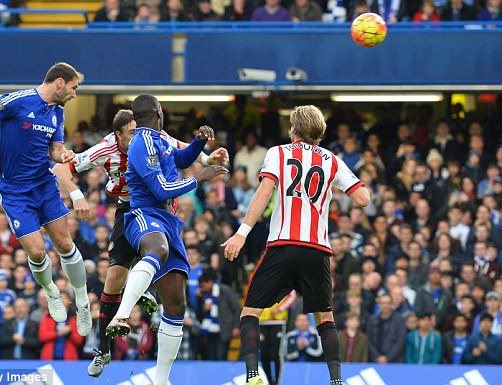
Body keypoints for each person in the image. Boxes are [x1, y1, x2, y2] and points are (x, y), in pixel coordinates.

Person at [52, 108, 228, 376]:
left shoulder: (151, 137)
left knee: (165, 273)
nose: (138, 137)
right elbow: (61, 167)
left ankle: (143, 291)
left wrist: (206, 156)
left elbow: (178, 149)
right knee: (113, 281)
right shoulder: (105, 148)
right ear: (118, 135)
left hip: (163, 210)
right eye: (131, 133)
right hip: (130, 209)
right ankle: (103, 349)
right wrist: (76, 195)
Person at [222, 105, 370, 385]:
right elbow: (363, 198)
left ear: (293, 129)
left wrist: (242, 233)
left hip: (283, 244)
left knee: (250, 312)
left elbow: (265, 191)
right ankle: (337, 380)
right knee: (325, 318)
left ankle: (253, 376)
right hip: (317, 249)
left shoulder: (278, 153)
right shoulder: (332, 160)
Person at [0, 62, 93, 337]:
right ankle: (51, 291)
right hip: (15, 192)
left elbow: (55, 148)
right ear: (60, 82)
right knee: (37, 252)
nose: (75, 94)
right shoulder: (18, 100)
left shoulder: (58, 112)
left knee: (65, 243)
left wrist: (64, 155)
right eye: (74, 87)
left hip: (44, 185)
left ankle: (82, 300)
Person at [106, 94, 228, 385]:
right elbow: (161, 189)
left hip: (168, 221)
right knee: (157, 249)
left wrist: (199, 142)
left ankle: (161, 380)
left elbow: (180, 159)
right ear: (159, 111)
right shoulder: (142, 142)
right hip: (143, 214)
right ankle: (121, 315)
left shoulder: (160, 139)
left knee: (176, 306)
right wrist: (201, 176)